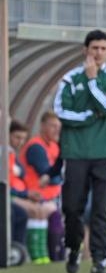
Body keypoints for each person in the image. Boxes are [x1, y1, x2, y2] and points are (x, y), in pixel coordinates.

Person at [54, 29, 106, 273]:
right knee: (72, 207)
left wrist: (93, 81)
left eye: (103, 48)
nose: (98, 52)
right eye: (94, 48)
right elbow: (62, 111)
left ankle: (100, 259)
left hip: (105, 152)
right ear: (85, 50)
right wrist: (87, 117)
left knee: (102, 209)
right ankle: (73, 248)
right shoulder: (70, 79)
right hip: (75, 152)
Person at [19, 110, 65, 261]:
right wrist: (63, 177)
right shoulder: (36, 147)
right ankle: (47, 256)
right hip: (36, 196)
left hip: (51, 197)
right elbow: (47, 175)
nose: (56, 129)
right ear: (42, 126)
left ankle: (56, 255)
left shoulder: (54, 145)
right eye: (52, 125)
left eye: (58, 126)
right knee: (55, 214)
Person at [8, 121, 57, 263]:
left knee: (39, 210)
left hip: (22, 194)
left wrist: (28, 193)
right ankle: (31, 252)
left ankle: (40, 252)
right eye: (17, 137)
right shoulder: (5, 153)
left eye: (23, 138)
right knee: (32, 211)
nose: (20, 142)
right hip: (9, 195)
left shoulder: (13, 156)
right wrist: (26, 194)